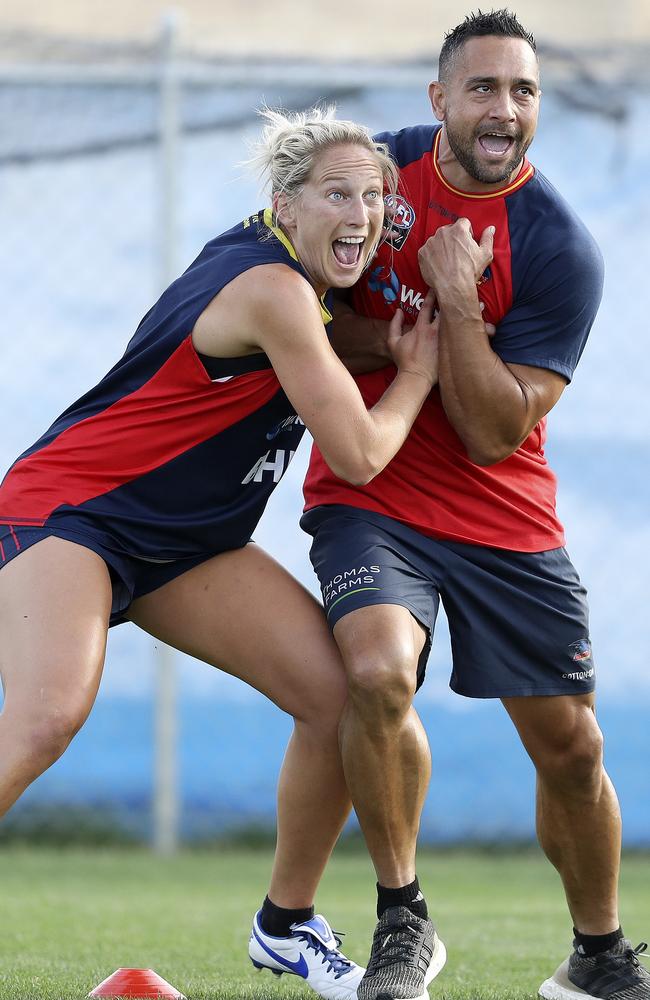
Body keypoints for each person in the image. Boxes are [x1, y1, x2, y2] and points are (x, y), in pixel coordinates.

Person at [0, 106, 441, 1000]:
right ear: (283, 203)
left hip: (187, 542)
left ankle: (287, 926)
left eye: (373, 196)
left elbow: (339, 335)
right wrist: (426, 368)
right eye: (334, 195)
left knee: (340, 700)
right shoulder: (276, 291)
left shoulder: (297, 276)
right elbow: (356, 452)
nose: (358, 215)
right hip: (74, 512)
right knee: (49, 714)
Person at [300, 11, 650, 1000]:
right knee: (374, 672)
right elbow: (301, 315)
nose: (503, 109)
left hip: (504, 517)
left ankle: (596, 956)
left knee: (571, 747)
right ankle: (401, 920)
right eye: (483, 88)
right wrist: (400, 340)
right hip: (374, 492)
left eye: (522, 91)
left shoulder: (557, 250)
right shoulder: (369, 181)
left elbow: (496, 429)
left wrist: (452, 304)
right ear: (438, 102)